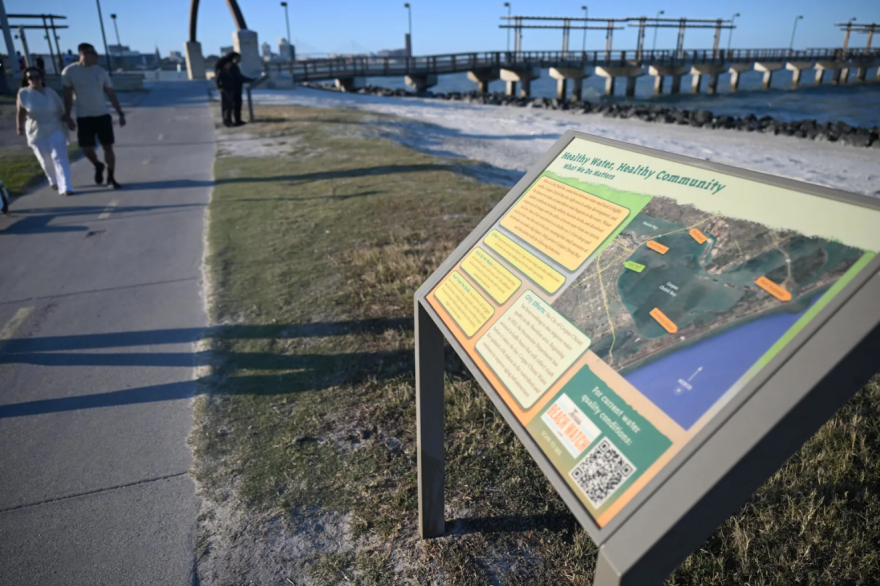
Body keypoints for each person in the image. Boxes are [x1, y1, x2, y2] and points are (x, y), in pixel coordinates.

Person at [61, 43, 126, 189]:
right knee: (87, 149)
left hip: (102, 115)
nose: (96, 56)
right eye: (93, 54)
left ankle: (110, 177)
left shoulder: (101, 72)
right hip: (84, 117)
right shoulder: (69, 72)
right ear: (83, 53)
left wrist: (120, 113)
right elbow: (67, 96)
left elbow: (110, 93)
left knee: (108, 147)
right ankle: (98, 165)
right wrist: (67, 116)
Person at [16, 67, 75, 196]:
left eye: (37, 77)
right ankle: (53, 180)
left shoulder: (51, 92)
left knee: (60, 156)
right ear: (27, 80)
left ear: (42, 78)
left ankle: (66, 186)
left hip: (55, 126)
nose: (34, 80)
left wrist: (69, 121)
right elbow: (21, 112)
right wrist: (19, 126)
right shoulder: (23, 93)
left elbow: (61, 109)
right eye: (30, 78)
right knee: (45, 159)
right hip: (36, 129)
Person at [215, 52, 253, 127]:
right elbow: (238, 77)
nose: (239, 60)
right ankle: (229, 122)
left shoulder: (233, 67)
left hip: (233, 89)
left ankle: (235, 120)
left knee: (233, 105)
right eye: (238, 58)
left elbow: (238, 77)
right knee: (228, 106)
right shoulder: (227, 69)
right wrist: (249, 80)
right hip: (229, 89)